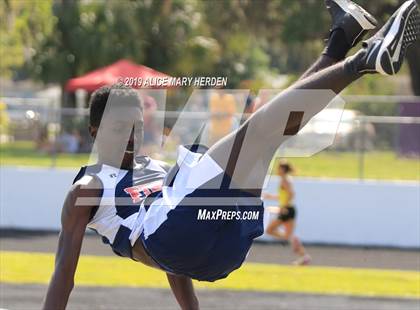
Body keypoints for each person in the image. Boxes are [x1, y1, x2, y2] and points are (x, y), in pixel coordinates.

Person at [43, 1, 419, 309]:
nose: (131, 136)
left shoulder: (153, 171)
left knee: (267, 136)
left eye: (137, 127)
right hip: (173, 241)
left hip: (217, 251)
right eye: (118, 127)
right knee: (256, 132)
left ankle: (341, 40)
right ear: (94, 131)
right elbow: (65, 270)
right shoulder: (87, 187)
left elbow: (175, 249)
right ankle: (365, 57)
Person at [264, 161, 311, 265]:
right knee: (288, 235)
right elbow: (284, 196)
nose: (277, 170)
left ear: (283, 169)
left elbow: (291, 194)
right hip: (290, 209)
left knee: (269, 230)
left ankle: (292, 242)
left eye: (279, 168)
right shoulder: (286, 179)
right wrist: (270, 197)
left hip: (287, 210)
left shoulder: (284, 180)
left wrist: (284, 207)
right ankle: (304, 256)